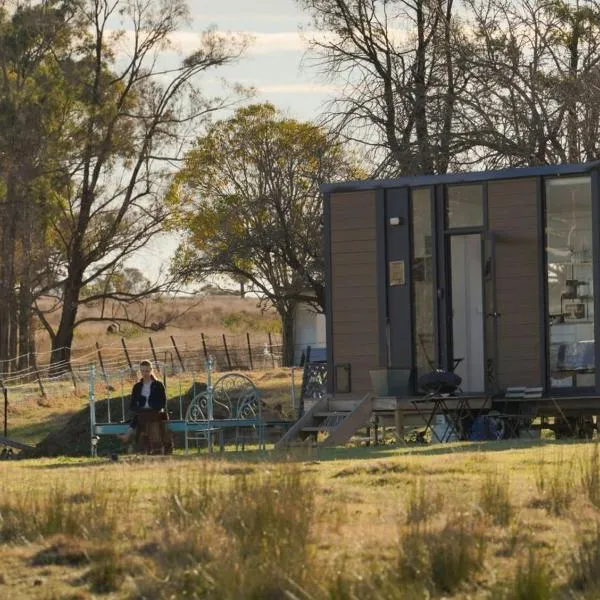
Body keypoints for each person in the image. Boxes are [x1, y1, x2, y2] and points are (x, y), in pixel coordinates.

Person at [121, 360, 173, 455]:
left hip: (155, 411)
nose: (144, 373)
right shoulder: (137, 386)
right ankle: (157, 447)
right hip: (142, 412)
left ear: (151, 370)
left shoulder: (158, 385)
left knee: (147, 417)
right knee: (144, 416)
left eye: (147, 371)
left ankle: (130, 437)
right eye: (142, 371)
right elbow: (132, 405)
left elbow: (163, 402)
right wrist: (139, 410)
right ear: (140, 371)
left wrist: (155, 408)